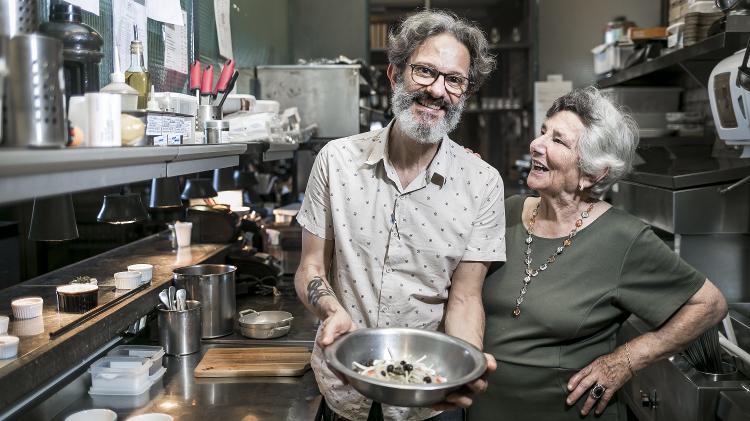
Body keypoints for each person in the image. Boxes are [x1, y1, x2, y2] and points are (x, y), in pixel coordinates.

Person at [468, 87, 728, 420]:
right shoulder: (508, 211)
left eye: (558, 140)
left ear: (592, 173)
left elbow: (710, 305)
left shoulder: (623, 238)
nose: (537, 143)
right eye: (543, 131)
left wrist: (626, 360)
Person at [294, 10, 504, 421]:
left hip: (427, 395)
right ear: (394, 74)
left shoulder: (483, 183)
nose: (438, 90)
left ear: (465, 92)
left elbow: (464, 296)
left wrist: (464, 365)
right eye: (425, 71)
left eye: (454, 80)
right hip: (343, 385)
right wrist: (331, 311)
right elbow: (310, 266)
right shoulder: (336, 162)